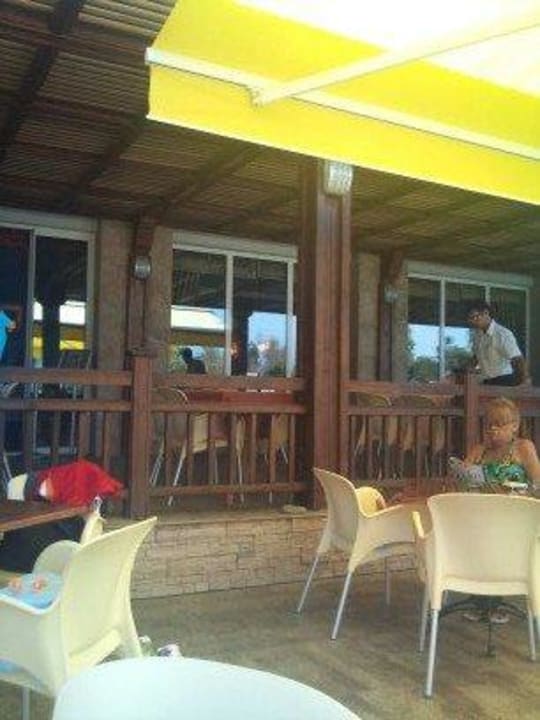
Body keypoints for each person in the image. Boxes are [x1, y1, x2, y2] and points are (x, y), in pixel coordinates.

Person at [462, 397, 540, 623]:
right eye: (489, 425)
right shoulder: (480, 450)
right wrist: (467, 468)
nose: (493, 430)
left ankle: (490, 600)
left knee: (490, 537)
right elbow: (463, 481)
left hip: (515, 517)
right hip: (482, 515)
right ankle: (482, 598)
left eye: (499, 424)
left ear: (514, 425)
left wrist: (522, 493)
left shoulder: (523, 447)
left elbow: (538, 483)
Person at [467, 301, 529, 386]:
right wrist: (468, 369)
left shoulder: (502, 334)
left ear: (486, 313)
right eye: (471, 318)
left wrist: (523, 384)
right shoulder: (477, 335)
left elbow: (518, 360)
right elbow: (477, 356)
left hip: (504, 381)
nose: (474, 321)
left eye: (476, 317)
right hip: (486, 382)